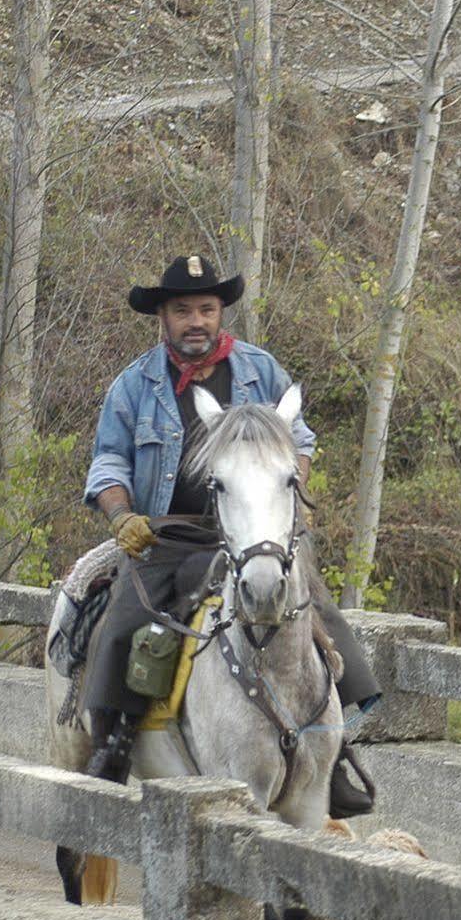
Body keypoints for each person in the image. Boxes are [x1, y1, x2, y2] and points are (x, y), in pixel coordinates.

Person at [78, 253, 380, 816]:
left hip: (254, 532)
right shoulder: (134, 386)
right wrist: (122, 517)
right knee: (122, 624)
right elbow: (108, 464)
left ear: (222, 313)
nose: (197, 320)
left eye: (207, 309)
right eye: (184, 310)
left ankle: (330, 754)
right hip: (169, 536)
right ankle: (112, 745)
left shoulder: (261, 372)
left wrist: (288, 494)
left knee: (320, 619)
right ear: (163, 318)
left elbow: (302, 439)